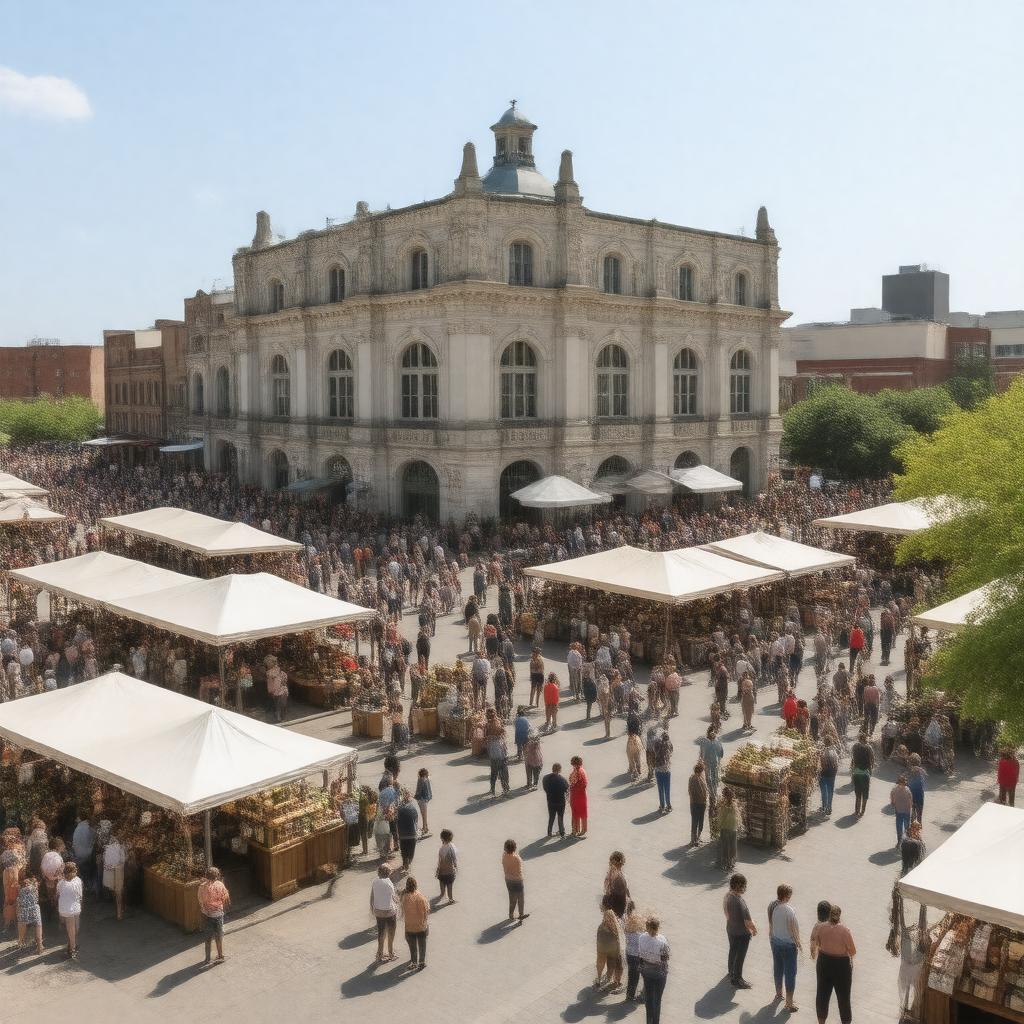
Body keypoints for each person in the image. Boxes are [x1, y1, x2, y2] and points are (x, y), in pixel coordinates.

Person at [811, 904, 855, 1024]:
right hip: (841, 966)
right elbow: (852, 951)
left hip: (824, 962)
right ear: (839, 916)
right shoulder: (845, 931)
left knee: (822, 994)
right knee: (844, 998)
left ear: (829, 915)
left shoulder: (820, 927)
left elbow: (818, 943)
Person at [767, 883, 802, 1013]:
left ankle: (778, 993)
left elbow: (771, 922)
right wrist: (798, 943)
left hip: (775, 941)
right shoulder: (789, 910)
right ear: (787, 896)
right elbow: (794, 929)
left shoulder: (772, 906)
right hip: (788, 945)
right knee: (790, 973)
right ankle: (789, 1003)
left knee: (778, 967)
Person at [723, 872, 756, 989]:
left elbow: (726, 913)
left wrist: (732, 921)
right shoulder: (740, 901)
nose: (745, 888)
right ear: (738, 886)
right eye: (744, 885)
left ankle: (730, 972)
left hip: (731, 929)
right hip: (742, 934)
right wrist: (754, 929)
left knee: (733, 951)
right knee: (740, 956)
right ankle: (737, 979)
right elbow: (748, 921)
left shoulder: (727, 896)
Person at [638, 915, 670, 1024]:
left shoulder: (642, 937)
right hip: (660, 974)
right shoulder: (662, 940)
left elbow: (640, 955)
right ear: (658, 927)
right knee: (657, 1000)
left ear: (647, 927)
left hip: (646, 972)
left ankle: (649, 1021)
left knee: (649, 999)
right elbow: (665, 958)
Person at [198, 866, 230, 965]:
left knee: (208, 938)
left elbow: (200, 900)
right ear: (217, 876)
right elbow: (225, 898)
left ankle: (207, 958)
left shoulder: (202, 886)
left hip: (206, 915)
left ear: (206, 875)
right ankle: (220, 955)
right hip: (218, 914)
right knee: (218, 936)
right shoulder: (220, 885)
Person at [595, 895, 625, 993]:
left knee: (600, 962)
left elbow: (598, 940)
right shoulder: (616, 927)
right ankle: (609, 979)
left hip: (602, 949)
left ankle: (599, 979)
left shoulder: (601, 927)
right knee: (611, 963)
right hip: (612, 949)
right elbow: (618, 940)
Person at [400, 875, 430, 970]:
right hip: (421, 926)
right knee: (422, 945)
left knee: (412, 946)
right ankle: (422, 962)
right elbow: (427, 909)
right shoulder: (421, 896)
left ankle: (413, 962)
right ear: (416, 885)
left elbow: (402, 908)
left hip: (409, 926)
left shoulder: (404, 897)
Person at [370, 863, 398, 963]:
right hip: (390, 911)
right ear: (388, 873)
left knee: (381, 933)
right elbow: (394, 898)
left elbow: (372, 897)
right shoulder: (389, 882)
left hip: (378, 911)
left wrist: (373, 909)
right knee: (391, 932)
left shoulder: (374, 881)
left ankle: (379, 954)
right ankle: (391, 953)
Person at [57, 861, 83, 960]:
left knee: (72, 929)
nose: (76, 871)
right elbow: (80, 895)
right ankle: (72, 949)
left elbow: (58, 894)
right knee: (73, 929)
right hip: (72, 909)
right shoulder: (77, 881)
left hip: (65, 908)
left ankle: (71, 945)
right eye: (74, 870)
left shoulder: (60, 883)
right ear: (71, 872)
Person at [16, 871, 44, 955]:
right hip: (35, 909)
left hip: (24, 910)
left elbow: (18, 900)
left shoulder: (20, 888)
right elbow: (37, 898)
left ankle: (21, 942)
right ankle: (40, 947)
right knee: (38, 926)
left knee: (21, 924)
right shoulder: (35, 887)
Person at [502, 839, 529, 923]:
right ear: (514, 848)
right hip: (517, 880)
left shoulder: (504, 855)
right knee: (520, 898)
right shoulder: (517, 858)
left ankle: (511, 915)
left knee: (512, 898)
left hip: (508, 880)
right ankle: (521, 915)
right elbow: (519, 869)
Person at [624, 901, 647, 1002]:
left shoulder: (627, 929)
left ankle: (630, 995)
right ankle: (643, 994)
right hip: (639, 956)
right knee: (642, 974)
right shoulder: (640, 931)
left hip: (630, 955)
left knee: (632, 975)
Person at [102, 832, 127, 921]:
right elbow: (123, 861)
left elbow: (104, 862)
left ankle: (118, 910)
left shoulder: (106, 849)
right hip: (118, 871)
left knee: (113, 890)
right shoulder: (120, 848)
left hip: (110, 872)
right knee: (119, 892)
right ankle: (119, 912)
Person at [850, 732, 875, 818]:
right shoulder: (869, 748)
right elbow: (872, 760)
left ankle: (856, 811)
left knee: (858, 794)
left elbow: (853, 759)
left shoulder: (855, 747)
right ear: (866, 739)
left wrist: (852, 772)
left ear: (859, 739)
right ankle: (862, 812)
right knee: (865, 794)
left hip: (856, 773)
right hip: (865, 774)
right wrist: (870, 771)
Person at [698, 725, 725, 802]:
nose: (713, 734)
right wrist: (701, 761)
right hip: (707, 763)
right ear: (709, 733)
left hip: (715, 763)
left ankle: (714, 794)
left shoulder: (717, 741)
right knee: (708, 779)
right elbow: (701, 753)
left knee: (715, 779)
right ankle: (712, 794)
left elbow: (721, 753)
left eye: (714, 732)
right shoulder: (704, 741)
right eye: (711, 732)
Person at [543, 762, 569, 838]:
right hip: (560, 802)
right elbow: (566, 789)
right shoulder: (562, 779)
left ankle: (549, 832)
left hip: (550, 801)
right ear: (560, 770)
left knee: (551, 817)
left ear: (552, 769)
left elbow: (545, 788)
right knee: (560, 817)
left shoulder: (545, 778)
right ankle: (562, 833)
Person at [396, 790, 419, 870]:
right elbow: (416, 821)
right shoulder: (413, 808)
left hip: (402, 835)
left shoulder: (399, 809)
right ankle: (408, 862)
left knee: (404, 851)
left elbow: (397, 821)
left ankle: (405, 863)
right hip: (412, 834)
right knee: (411, 852)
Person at [688, 761, 709, 847]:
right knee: (695, 821)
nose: (700, 773)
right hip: (696, 803)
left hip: (701, 803)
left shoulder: (702, 778)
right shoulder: (693, 779)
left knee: (699, 821)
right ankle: (694, 839)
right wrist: (693, 802)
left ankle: (697, 838)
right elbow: (690, 791)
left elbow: (705, 790)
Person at [718, 787, 739, 871]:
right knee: (727, 846)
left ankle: (730, 862)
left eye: (731, 795)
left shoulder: (734, 804)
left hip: (732, 828)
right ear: (726, 796)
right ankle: (727, 862)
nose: (730, 796)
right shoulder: (724, 805)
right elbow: (721, 816)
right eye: (728, 795)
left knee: (731, 846)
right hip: (726, 828)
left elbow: (736, 816)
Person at [604, 851, 630, 917]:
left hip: (613, 907)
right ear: (621, 863)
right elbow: (625, 893)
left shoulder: (610, 874)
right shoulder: (620, 876)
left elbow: (607, 891)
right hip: (618, 908)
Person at [435, 829, 458, 904]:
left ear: (442, 838)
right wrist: (455, 866)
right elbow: (454, 858)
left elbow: (439, 860)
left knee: (442, 882)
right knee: (449, 884)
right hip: (449, 871)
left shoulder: (441, 848)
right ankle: (450, 899)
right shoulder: (451, 848)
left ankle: (442, 894)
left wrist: (438, 869)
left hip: (441, 870)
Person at [569, 756, 589, 838]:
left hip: (576, 794)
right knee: (583, 812)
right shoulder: (582, 770)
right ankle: (584, 829)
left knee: (575, 812)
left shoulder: (576, 772)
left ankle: (575, 830)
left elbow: (572, 782)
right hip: (582, 794)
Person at [654, 729, 673, 813]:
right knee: (667, 789)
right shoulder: (669, 744)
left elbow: (655, 752)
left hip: (658, 769)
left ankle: (662, 806)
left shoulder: (657, 743)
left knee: (661, 789)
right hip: (667, 770)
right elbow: (672, 751)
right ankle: (668, 805)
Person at [890, 775, 913, 846]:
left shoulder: (894, 790)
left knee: (899, 826)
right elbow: (911, 801)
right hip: (906, 811)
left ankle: (900, 841)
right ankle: (906, 841)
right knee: (906, 826)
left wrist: (893, 803)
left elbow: (892, 801)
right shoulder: (907, 789)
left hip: (900, 811)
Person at [818, 741, 839, 817]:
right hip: (832, 774)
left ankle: (824, 806)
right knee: (830, 791)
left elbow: (820, 764)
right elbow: (836, 764)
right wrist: (834, 773)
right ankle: (829, 808)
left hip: (824, 773)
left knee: (824, 791)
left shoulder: (822, 752)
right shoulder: (834, 752)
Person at [907, 754, 926, 823]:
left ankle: (912, 830)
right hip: (920, 798)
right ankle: (918, 830)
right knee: (919, 817)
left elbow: (908, 785)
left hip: (912, 797)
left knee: (912, 816)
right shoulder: (921, 772)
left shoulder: (910, 772)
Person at [414, 768, 432, 837]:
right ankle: (425, 828)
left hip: (421, 799)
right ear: (425, 774)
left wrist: (415, 796)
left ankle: (425, 828)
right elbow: (427, 790)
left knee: (423, 814)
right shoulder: (424, 780)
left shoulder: (421, 779)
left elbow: (418, 790)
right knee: (424, 815)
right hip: (423, 799)